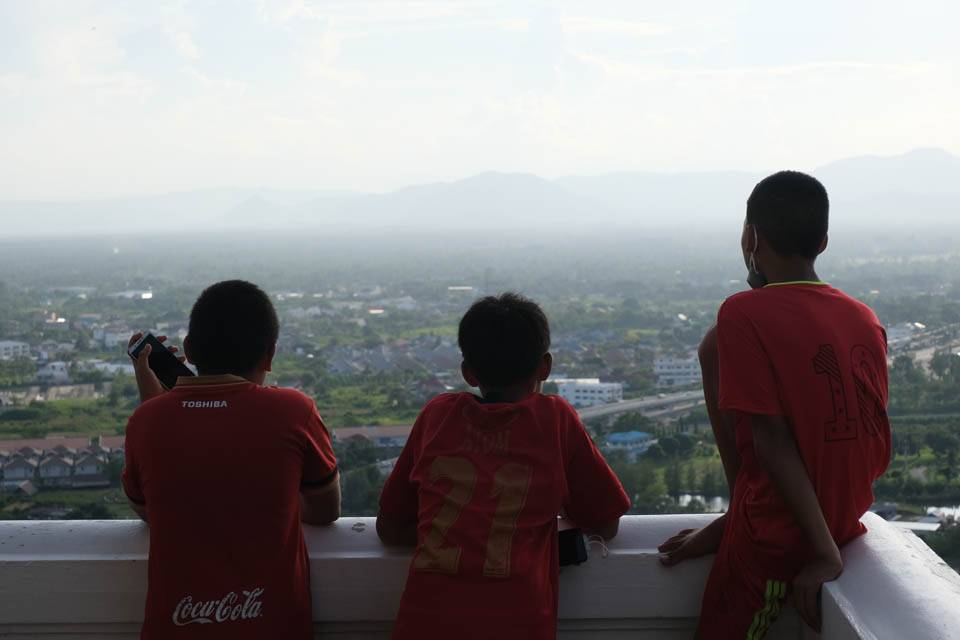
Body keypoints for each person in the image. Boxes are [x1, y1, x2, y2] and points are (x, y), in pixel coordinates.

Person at [658, 171, 891, 639]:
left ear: (751, 236)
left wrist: (822, 551)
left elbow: (772, 440)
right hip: (846, 511)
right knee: (713, 347)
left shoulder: (744, 312)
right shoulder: (863, 317)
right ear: (822, 242)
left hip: (782, 534)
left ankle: (742, 511)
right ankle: (737, 507)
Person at [377, 292, 630, 640]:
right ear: (545, 366)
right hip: (519, 625)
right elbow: (606, 523)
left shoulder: (438, 415)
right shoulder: (554, 420)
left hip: (424, 622)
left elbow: (390, 529)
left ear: (468, 372)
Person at [123, 280, 340, 639]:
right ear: (270, 354)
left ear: (189, 350)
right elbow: (325, 510)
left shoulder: (146, 421)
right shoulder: (293, 412)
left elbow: (150, 510)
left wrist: (157, 406)